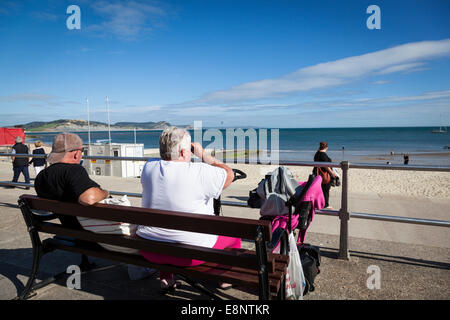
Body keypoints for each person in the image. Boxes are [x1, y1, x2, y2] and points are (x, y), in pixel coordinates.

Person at [136, 127, 238, 291]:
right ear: (184, 152)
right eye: (189, 151)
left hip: (150, 249)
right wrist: (202, 153)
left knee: (165, 226)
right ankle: (224, 279)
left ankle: (166, 278)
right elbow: (229, 174)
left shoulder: (149, 167)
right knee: (234, 236)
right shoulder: (200, 171)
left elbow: (166, 161)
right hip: (190, 257)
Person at [34, 132, 109, 230]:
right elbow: (89, 199)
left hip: (71, 230)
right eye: (81, 151)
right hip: (93, 234)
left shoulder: (41, 176)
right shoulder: (74, 170)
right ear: (76, 154)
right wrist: (105, 193)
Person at [313, 141, 336, 209]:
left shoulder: (317, 154)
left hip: (317, 174)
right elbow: (326, 166)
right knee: (326, 190)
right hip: (324, 175)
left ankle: (319, 203)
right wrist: (332, 173)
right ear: (326, 147)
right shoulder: (323, 154)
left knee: (320, 189)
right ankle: (325, 204)